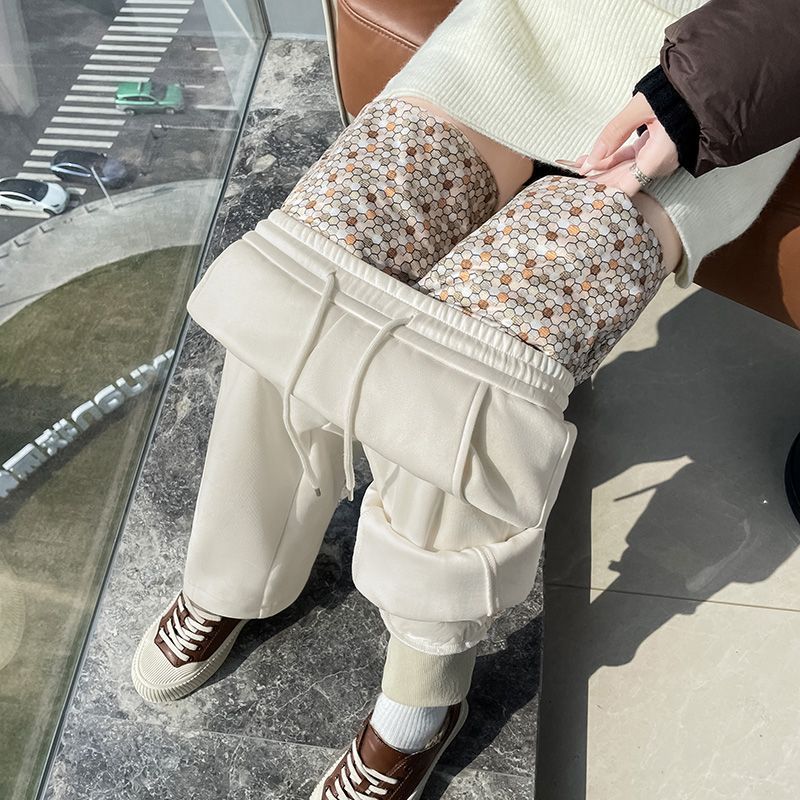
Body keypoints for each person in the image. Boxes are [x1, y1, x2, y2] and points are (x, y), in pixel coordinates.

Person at [131, 1, 800, 798]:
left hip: (730, 82)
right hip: (530, 26)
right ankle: (236, 571)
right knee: (304, 274)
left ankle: (420, 698)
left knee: (472, 384)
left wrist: (698, 95)